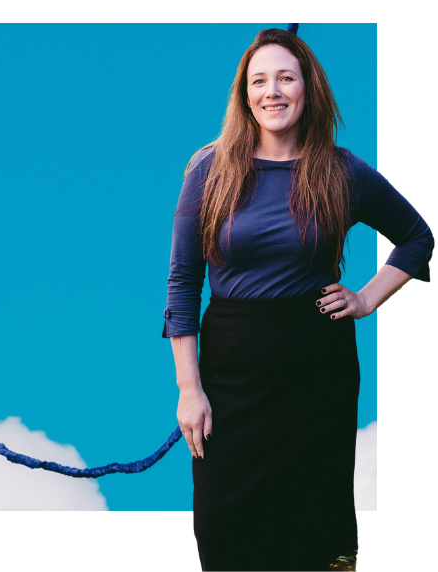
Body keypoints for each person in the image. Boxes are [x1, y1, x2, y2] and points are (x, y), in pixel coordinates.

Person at [164, 28, 433, 571]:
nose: (273, 91)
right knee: (224, 529)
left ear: (309, 88)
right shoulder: (208, 171)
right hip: (230, 376)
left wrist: (365, 299)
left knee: (314, 529)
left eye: (286, 77)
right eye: (259, 80)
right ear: (244, 95)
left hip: (318, 377)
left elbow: (416, 237)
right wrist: (188, 389)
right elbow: (182, 283)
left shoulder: (342, 171)